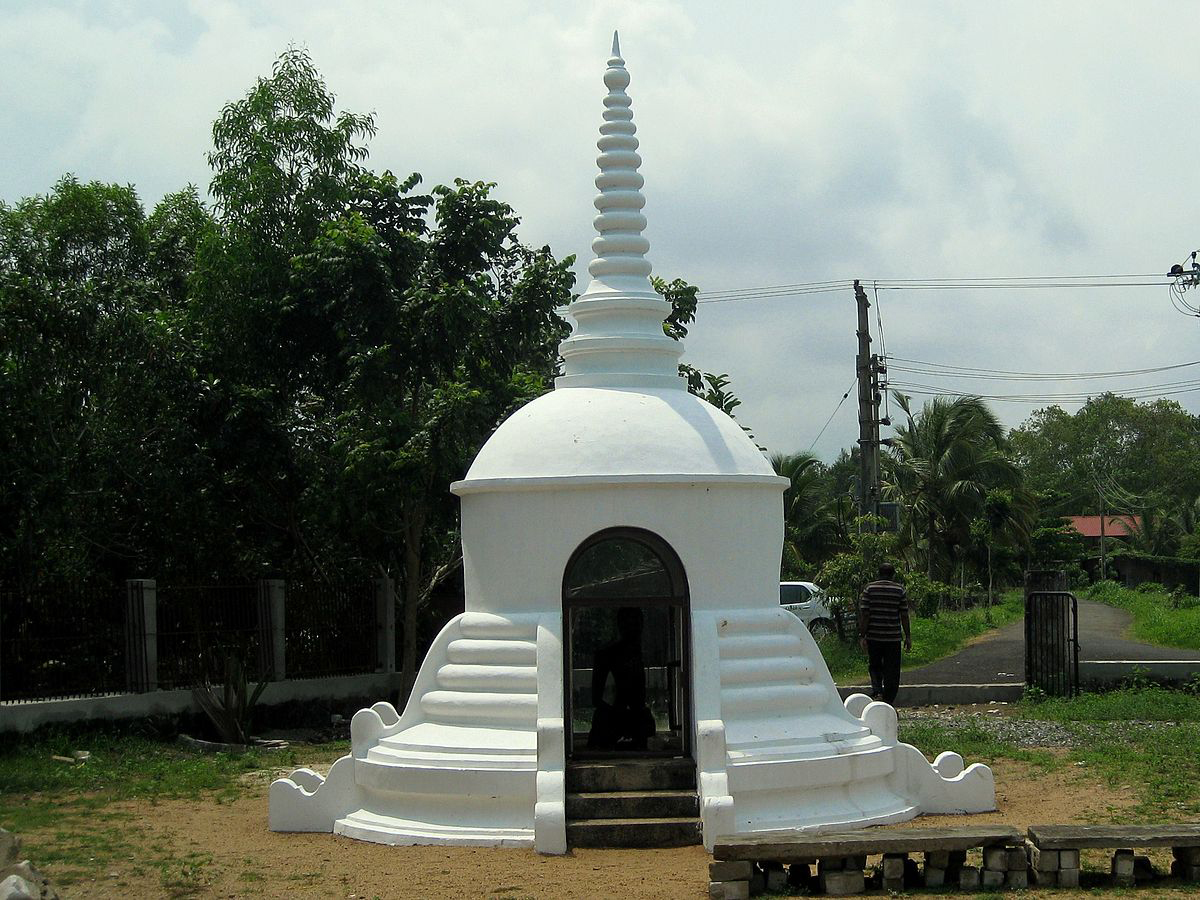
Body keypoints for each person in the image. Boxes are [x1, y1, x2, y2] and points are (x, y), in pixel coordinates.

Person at [587, 606, 656, 750]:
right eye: (630, 624)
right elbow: (598, 696)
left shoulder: (639, 653)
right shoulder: (607, 655)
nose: (636, 629)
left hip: (632, 719)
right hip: (611, 721)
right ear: (620, 625)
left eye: (638, 624)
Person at [857, 563, 912, 705]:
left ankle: (877, 692)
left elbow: (865, 614)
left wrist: (862, 635)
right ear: (893, 574)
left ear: (878, 574)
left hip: (874, 636)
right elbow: (904, 615)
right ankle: (888, 700)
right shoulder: (899, 590)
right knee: (892, 670)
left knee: (875, 666)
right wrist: (908, 636)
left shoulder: (869, 589)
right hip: (893, 638)